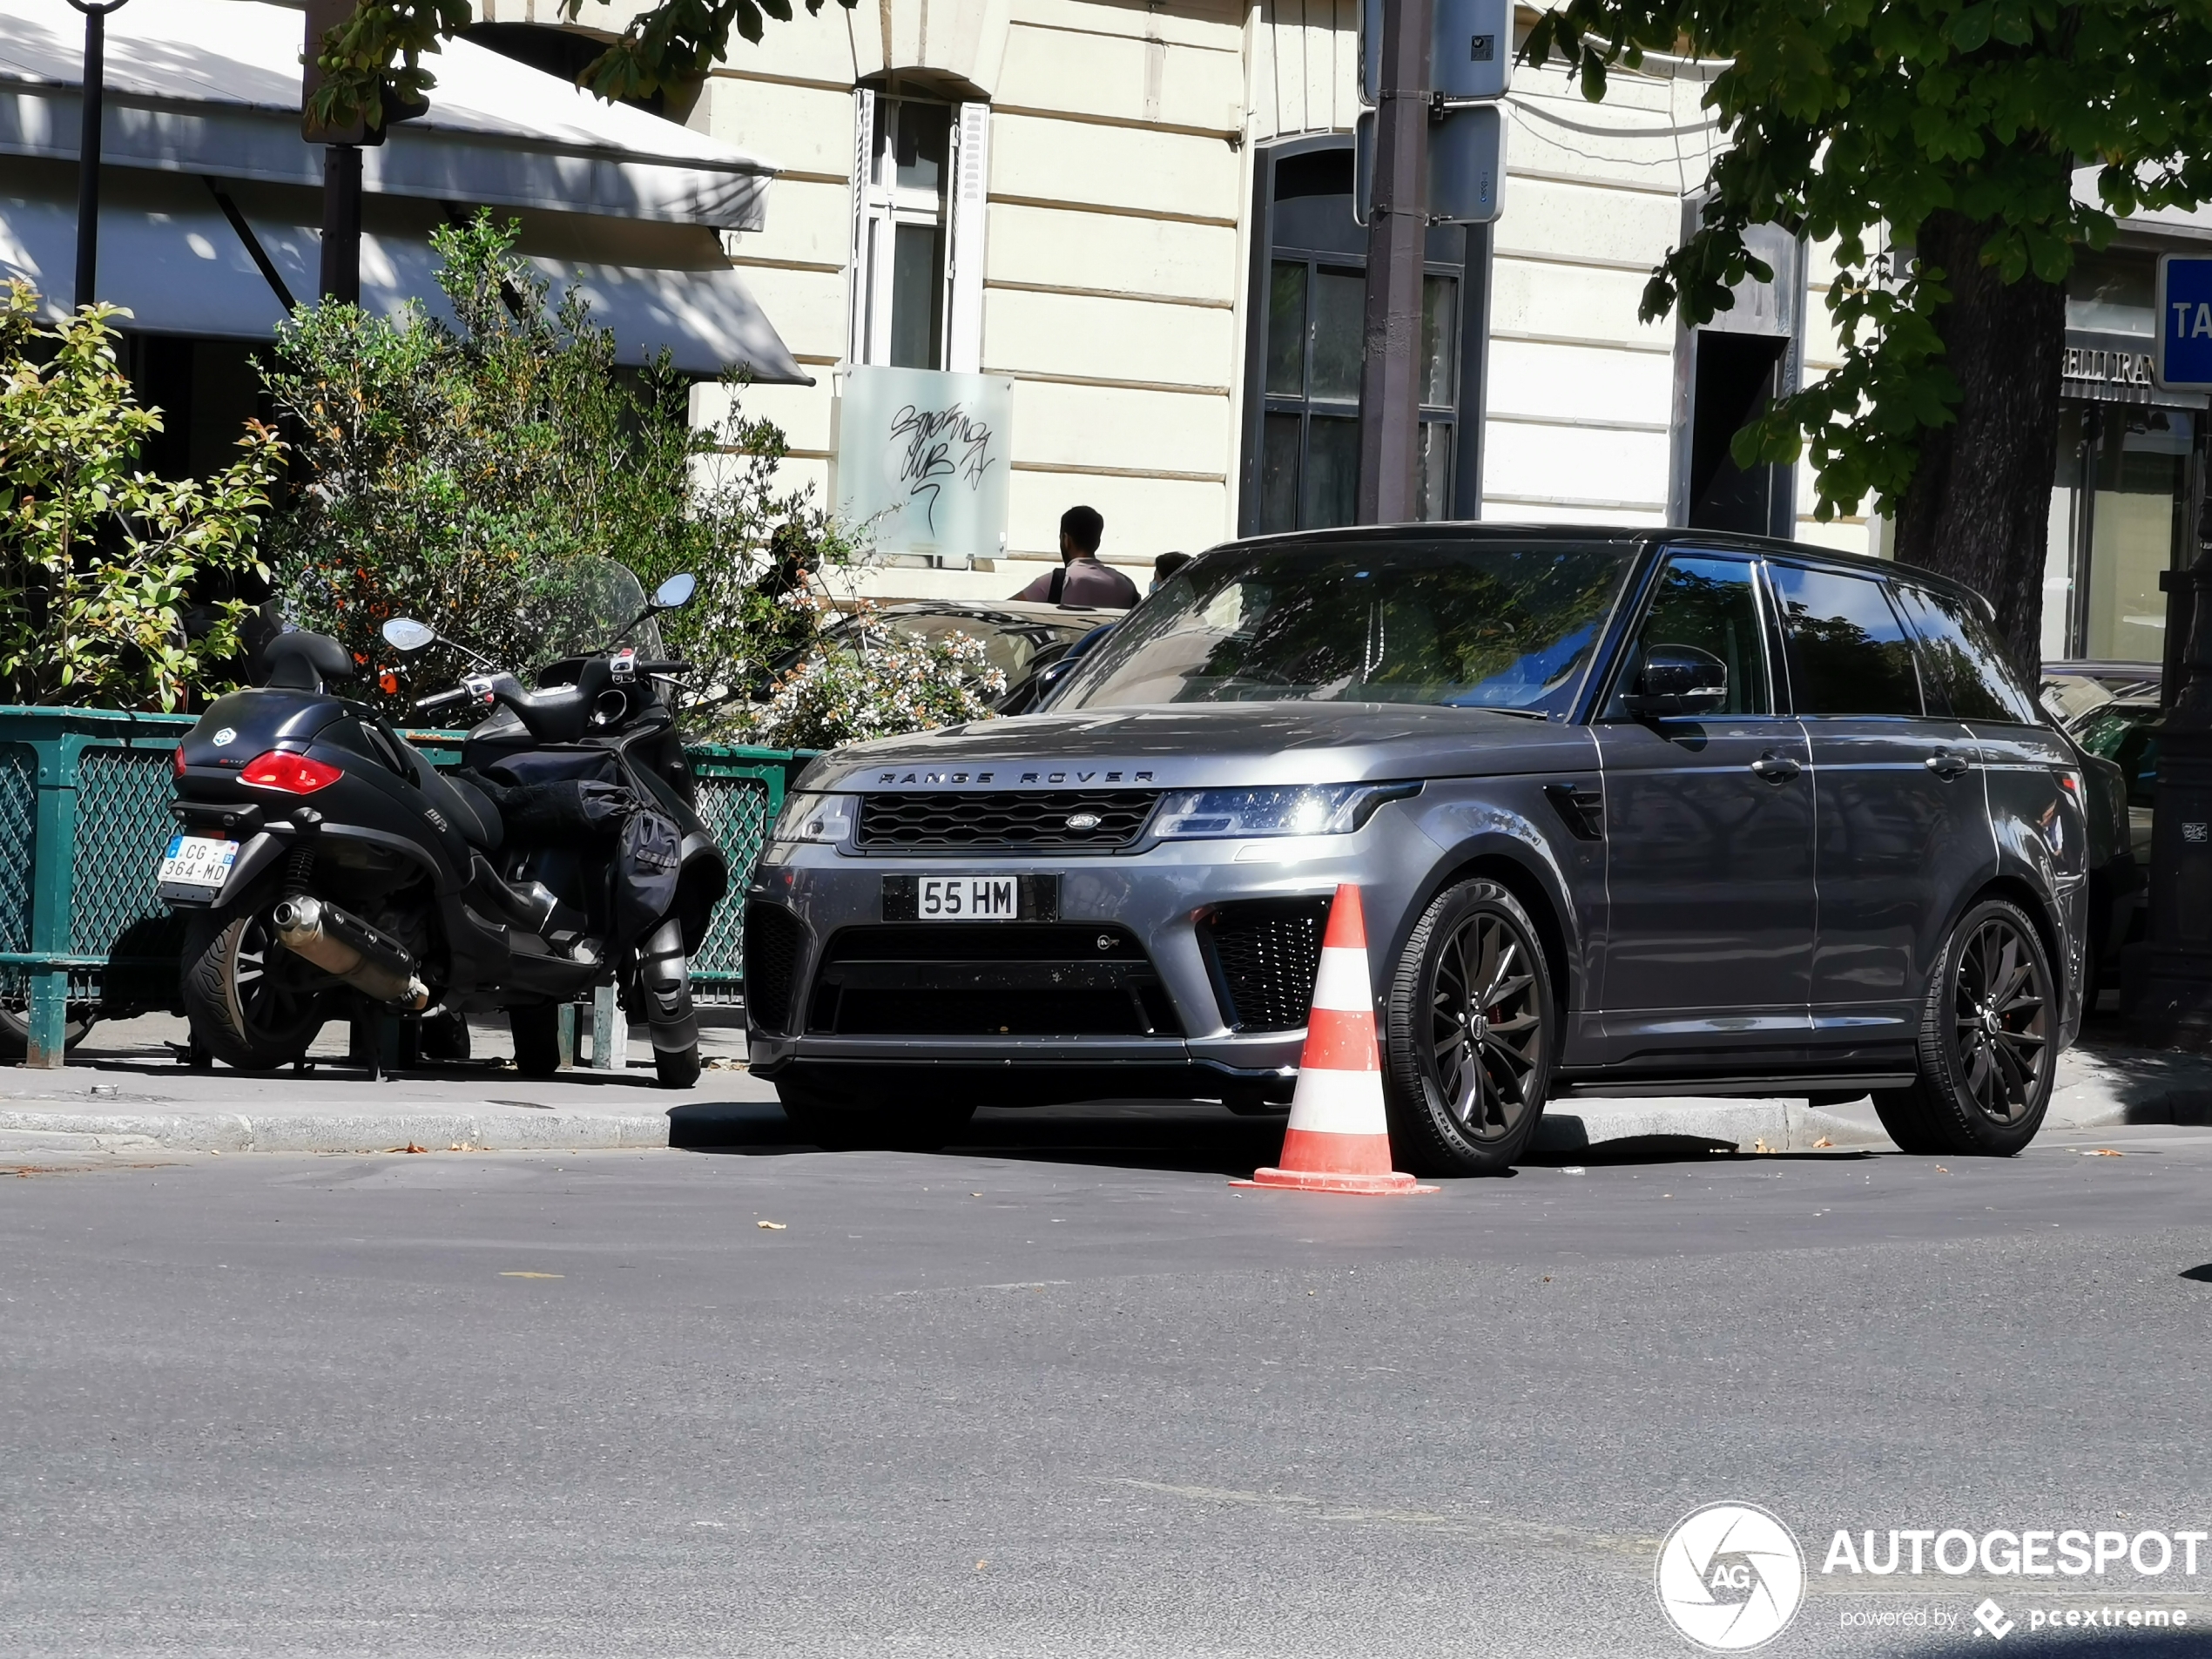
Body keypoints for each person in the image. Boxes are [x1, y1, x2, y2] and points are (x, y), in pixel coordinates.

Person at [1011, 505, 1139, 608]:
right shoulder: (1127, 586)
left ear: (1066, 540)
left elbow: (1005, 611)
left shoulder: (1055, 582)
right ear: (1098, 542)